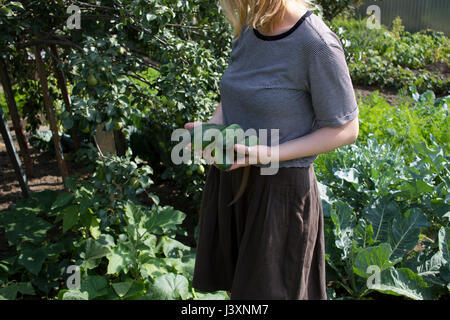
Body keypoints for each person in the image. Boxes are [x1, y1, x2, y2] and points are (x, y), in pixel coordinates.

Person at [184, 0, 359, 300]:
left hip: (281, 195)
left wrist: (268, 154)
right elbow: (234, 94)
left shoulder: (316, 43)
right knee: (238, 294)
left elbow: (346, 129)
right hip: (235, 183)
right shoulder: (250, 28)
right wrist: (213, 129)